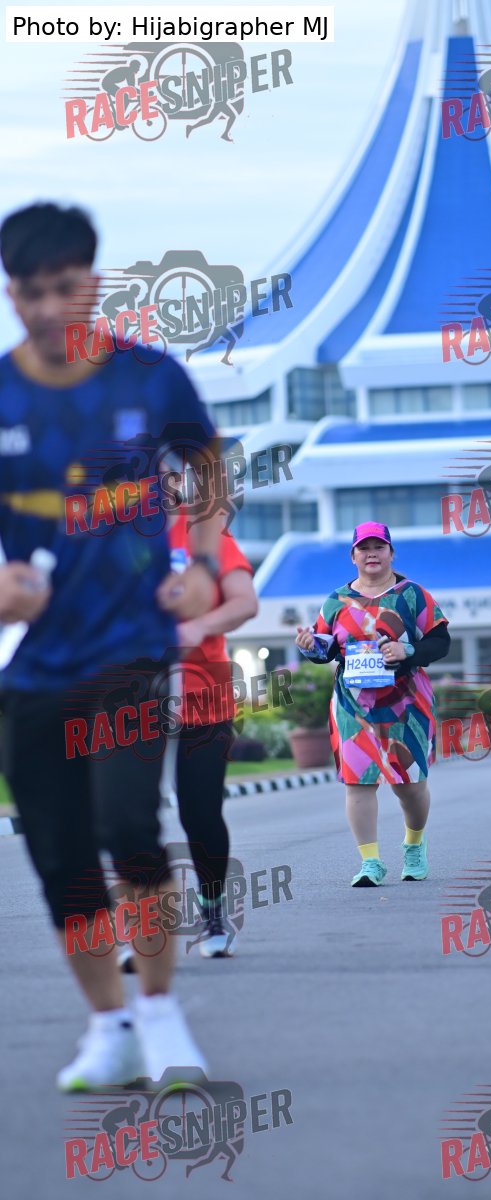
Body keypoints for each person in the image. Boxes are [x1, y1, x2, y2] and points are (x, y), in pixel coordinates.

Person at [0, 202, 225, 1090]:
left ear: (93, 284)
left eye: (64, 288)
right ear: (10, 294)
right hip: (36, 666)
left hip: (132, 648)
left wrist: (201, 566)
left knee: (129, 827)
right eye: (27, 293)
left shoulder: (151, 378)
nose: (47, 309)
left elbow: (207, 467)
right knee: (59, 857)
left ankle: (162, 1012)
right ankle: (110, 1025)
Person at [118, 507, 258, 969]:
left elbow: (244, 602)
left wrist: (199, 625)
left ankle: (213, 916)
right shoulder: (110, 531)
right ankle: (144, 927)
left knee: (199, 813)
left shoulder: (200, 532)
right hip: (132, 696)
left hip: (202, 693)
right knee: (131, 817)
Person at [295, 523, 450, 886]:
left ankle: (414, 844)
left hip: (406, 702)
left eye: (379, 547)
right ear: (353, 556)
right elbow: (326, 648)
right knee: (358, 782)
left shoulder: (411, 595)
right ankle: (370, 862)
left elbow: (441, 642)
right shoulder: (335, 601)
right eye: (363, 548)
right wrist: (310, 647)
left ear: (391, 553)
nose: (372, 554)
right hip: (353, 704)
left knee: (409, 786)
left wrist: (406, 650)